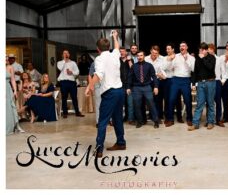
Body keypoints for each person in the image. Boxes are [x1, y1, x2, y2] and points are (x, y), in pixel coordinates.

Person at [86, 30, 126, 158]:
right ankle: (121, 143)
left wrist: (90, 86)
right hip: (120, 91)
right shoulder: (115, 54)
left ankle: (99, 149)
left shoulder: (99, 59)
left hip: (110, 93)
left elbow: (99, 75)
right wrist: (115, 37)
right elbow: (117, 47)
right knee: (117, 118)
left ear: (97, 49)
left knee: (103, 121)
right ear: (108, 47)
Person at [165, 41, 195, 127]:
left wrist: (187, 60)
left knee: (188, 100)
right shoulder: (175, 56)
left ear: (187, 47)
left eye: (183, 46)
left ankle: (189, 119)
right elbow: (169, 68)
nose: (182, 47)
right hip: (175, 80)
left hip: (186, 80)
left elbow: (193, 69)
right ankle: (170, 119)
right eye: (180, 46)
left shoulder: (191, 58)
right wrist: (170, 60)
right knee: (171, 99)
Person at [191, 43, 218, 130]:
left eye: (202, 50)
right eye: (199, 50)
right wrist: (194, 83)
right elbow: (195, 72)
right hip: (200, 83)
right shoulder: (197, 59)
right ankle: (195, 123)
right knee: (199, 104)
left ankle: (211, 122)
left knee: (210, 103)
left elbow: (210, 67)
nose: (200, 52)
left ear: (206, 50)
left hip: (210, 82)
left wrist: (203, 58)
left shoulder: (211, 57)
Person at [130, 51, 160, 129]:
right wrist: (128, 88)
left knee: (151, 104)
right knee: (137, 105)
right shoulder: (133, 66)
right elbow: (129, 78)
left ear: (144, 56)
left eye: (141, 55)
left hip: (147, 87)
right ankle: (140, 121)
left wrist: (156, 87)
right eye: (138, 56)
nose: (139, 57)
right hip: (136, 88)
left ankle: (156, 121)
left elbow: (154, 77)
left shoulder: (149, 66)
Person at [57, 49, 84, 118]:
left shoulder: (73, 63)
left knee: (74, 97)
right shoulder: (60, 62)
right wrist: (64, 61)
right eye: (64, 53)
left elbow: (77, 72)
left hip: (72, 82)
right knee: (64, 97)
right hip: (63, 82)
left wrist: (72, 72)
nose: (66, 54)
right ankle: (65, 113)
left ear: (69, 55)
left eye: (67, 53)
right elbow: (60, 68)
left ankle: (77, 112)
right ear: (62, 55)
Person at [145, 45, 168, 125]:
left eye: (156, 53)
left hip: (158, 81)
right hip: (148, 81)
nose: (155, 55)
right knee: (150, 99)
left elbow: (163, 70)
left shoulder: (162, 59)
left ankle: (159, 116)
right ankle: (151, 115)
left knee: (158, 100)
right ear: (150, 51)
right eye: (153, 53)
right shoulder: (146, 58)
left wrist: (161, 75)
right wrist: (155, 74)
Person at [7, 60, 19, 134]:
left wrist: (15, 90)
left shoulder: (10, 67)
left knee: (9, 106)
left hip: (7, 88)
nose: (6, 59)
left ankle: (10, 125)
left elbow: (13, 80)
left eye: (7, 57)